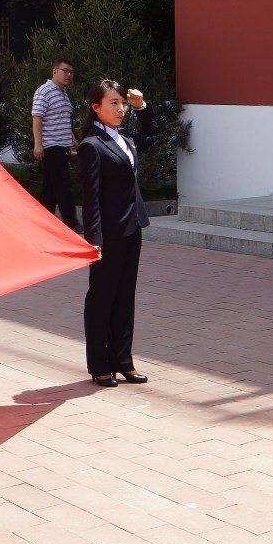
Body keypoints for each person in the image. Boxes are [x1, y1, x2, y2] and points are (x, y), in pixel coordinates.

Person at [77, 80, 159, 387]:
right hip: (108, 234)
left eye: (122, 103)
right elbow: (91, 197)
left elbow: (152, 134)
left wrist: (142, 107)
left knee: (125, 297)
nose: (120, 108)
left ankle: (123, 361)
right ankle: (100, 365)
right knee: (102, 298)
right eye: (113, 103)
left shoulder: (124, 137)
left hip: (132, 228)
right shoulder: (91, 145)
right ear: (95, 107)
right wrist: (94, 239)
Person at [31, 59, 80, 230]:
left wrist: (72, 139)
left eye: (71, 72)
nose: (68, 75)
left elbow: (63, 119)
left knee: (50, 188)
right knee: (63, 185)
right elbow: (37, 117)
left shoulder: (62, 92)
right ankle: (71, 222)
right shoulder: (44, 91)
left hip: (62, 145)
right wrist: (38, 144)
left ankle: (45, 222)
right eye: (65, 71)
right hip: (52, 146)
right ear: (54, 71)